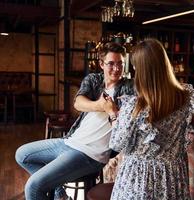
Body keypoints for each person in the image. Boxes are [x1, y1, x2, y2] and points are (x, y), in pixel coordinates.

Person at [15, 42, 135, 200]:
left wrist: (112, 110)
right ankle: (59, 194)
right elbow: (78, 103)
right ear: (101, 64)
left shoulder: (128, 87)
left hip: (90, 154)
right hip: (69, 142)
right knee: (22, 154)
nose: (116, 68)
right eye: (111, 63)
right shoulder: (94, 80)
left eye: (120, 63)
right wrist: (101, 105)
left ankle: (56, 192)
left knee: (33, 186)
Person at [102, 38, 194, 200]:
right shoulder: (186, 97)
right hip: (172, 177)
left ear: (140, 70)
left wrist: (113, 114)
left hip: (139, 179)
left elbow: (117, 143)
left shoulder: (135, 106)